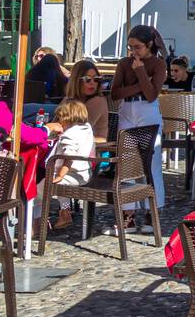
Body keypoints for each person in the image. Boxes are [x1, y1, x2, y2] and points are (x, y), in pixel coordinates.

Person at [111, 24, 167, 226]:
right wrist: (140, 85)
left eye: (138, 47)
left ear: (149, 45)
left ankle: (153, 211)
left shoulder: (158, 65)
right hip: (127, 110)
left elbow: (152, 95)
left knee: (151, 164)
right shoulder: (124, 63)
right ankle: (128, 213)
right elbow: (115, 93)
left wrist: (141, 71)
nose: (133, 51)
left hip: (147, 111)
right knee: (126, 162)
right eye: (130, 47)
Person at [44, 98, 97, 231]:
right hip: (85, 172)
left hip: (71, 174)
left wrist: (61, 174)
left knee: (48, 184)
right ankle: (64, 211)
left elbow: (68, 157)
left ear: (66, 118)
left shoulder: (69, 135)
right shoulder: (86, 128)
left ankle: (63, 212)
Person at [62, 60, 110, 141]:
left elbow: (79, 129)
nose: (92, 83)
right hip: (72, 144)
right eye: (87, 79)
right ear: (76, 80)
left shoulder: (98, 101)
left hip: (96, 149)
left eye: (96, 79)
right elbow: (57, 123)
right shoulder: (69, 99)